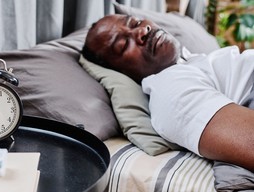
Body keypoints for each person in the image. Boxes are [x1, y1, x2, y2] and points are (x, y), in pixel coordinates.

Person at [83, 14, 254, 172]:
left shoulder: (189, 65)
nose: (142, 30)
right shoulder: (172, 91)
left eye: (136, 23)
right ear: (121, 72)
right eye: (123, 45)